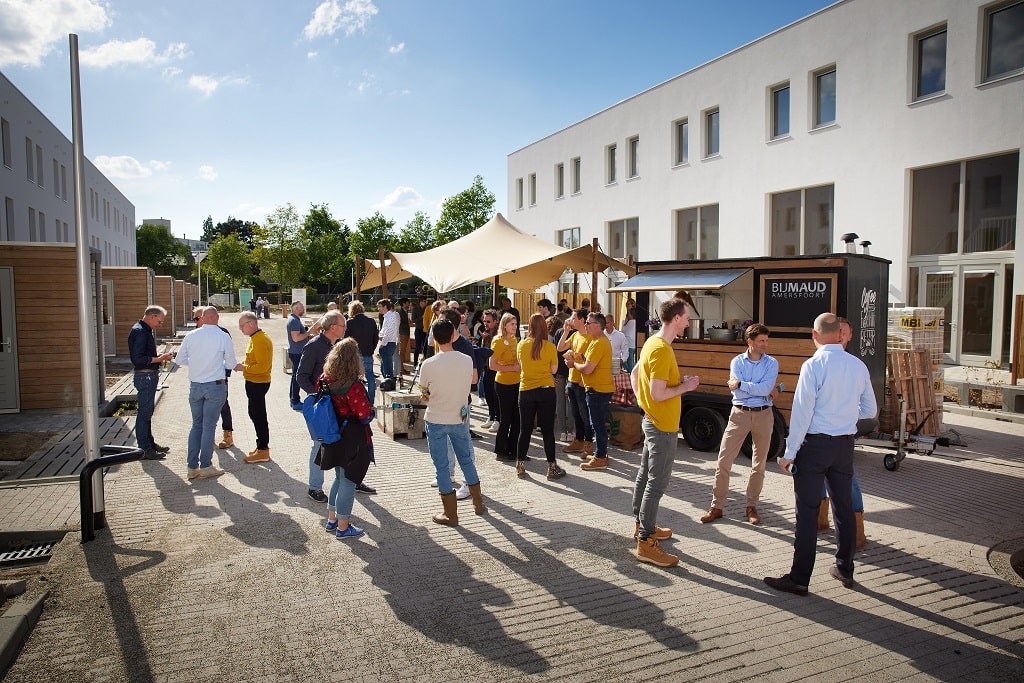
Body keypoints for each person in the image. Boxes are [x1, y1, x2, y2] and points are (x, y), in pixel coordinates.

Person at [765, 313, 877, 595]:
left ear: (814, 335)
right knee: (844, 509)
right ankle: (844, 567)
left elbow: (802, 414)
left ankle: (800, 578)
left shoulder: (812, 365)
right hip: (844, 446)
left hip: (814, 447)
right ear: (840, 334)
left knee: (807, 512)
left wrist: (788, 453)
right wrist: (846, 415)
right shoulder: (857, 365)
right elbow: (870, 410)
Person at [631, 297, 701, 567]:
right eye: (686, 316)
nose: (689, 321)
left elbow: (636, 374)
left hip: (654, 421)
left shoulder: (652, 342)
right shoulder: (661, 349)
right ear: (675, 319)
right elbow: (658, 392)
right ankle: (646, 542)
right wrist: (688, 386)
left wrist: (644, 405)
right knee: (656, 483)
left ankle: (642, 526)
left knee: (644, 476)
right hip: (662, 426)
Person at [700, 323, 780, 526]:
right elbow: (736, 393)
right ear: (750, 342)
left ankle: (751, 507)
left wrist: (744, 385)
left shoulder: (772, 363)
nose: (765, 344)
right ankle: (717, 506)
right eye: (761, 340)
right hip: (739, 415)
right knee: (723, 461)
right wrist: (752, 389)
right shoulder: (737, 362)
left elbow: (765, 388)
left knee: (759, 465)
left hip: (763, 414)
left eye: (767, 340)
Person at [420, 318, 486, 525]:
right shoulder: (466, 359)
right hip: (459, 417)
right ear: (452, 335)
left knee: (441, 467)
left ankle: (451, 514)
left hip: (436, 418)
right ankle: (478, 503)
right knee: (466, 460)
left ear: (434, 338)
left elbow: (424, 394)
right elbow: (471, 382)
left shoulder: (428, 364)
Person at [816, 316, 869, 548]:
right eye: (837, 330)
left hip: (841, 437)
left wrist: (846, 416)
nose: (840, 335)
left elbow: (868, 408)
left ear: (849, 336)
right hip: (819, 436)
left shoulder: (855, 365)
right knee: (817, 480)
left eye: (844, 332)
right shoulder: (820, 362)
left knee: (849, 483)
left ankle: (856, 533)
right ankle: (820, 520)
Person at [174, 306, 241, 480]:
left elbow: (179, 359)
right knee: (209, 426)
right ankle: (205, 465)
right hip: (215, 385)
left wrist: (197, 364)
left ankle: (191, 467)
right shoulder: (223, 336)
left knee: (196, 425)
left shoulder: (191, 336)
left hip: (195, 385)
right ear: (217, 317)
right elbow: (231, 363)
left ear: (202, 318)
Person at [319, 338, 373, 540]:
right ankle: (343, 527)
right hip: (352, 436)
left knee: (339, 478)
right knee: (349, 481)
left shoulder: (325, 378)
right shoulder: (353, 385)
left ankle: (332, 519)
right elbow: (364, 415)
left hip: (332, 433)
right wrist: (372, 411)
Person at [516, 314, 565, 480]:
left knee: (525, 429)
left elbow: (521, 366)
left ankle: (520, 464)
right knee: (547, 431)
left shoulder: (521, 344)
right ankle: (551, 467)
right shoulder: (550, 347)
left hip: (526, 389)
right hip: (546, 390)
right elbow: (553, 370)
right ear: (545, 327)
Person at [570, 312, 615, 471]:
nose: (586, 325)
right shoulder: (597, 341)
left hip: (598, 390)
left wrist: (573, 364)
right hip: (597, 389)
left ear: (598, 325)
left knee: (598, 425)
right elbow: (589, 363)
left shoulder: (599, 343)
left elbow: (588, 369)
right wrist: (577, 358)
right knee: (597, 424)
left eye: (588, 323)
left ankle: (600, 457)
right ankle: (600, 453)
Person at [128, 306, 173, 460]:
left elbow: (143, 356)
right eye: (160, 321)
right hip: (145, 377)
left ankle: (149, 444)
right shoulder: (141, 331)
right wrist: (159, 359)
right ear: (152, 316)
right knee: (144, 413)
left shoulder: (142, 329)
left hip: (147, 375)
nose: (160, 325)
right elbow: (138, 359)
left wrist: (158, 358)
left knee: (146, 412)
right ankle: (145, 448)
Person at [191, 309, 236, 450]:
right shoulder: (194, 335)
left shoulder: (223, 333)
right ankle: (206, 437)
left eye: (197, 318)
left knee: (223, 405)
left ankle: (228, 434)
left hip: (218, 379)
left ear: (204, 318)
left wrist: (225, 374)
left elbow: (229, 356)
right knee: (202, 410)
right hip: (199, 380)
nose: (196, 322)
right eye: (195, 319)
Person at [238, 311, 273, 463]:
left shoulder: (259, 340)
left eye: (242, 326)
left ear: (251, 324)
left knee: (258, 416)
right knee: (255, 414)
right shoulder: (256, 337)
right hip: (255, 382)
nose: (240, 329)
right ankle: (261, 446)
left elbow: (262, 367)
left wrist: (243, 367)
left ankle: (263, 450)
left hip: (258, 382)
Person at [557, 308, 593, 456]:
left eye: (573, 318)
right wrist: (565, 331)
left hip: (583, 382)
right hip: (571, 380)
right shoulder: (575, 335)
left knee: (585, 414)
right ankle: (578, 440)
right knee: (575, 413)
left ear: (582, 320)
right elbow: (560, 348)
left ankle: (588, 442)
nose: (570, 320)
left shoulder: (591, 338)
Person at [490, 312, 522, 461]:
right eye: (512, 324)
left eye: (516, 324)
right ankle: (501, 449)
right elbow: (492, 365)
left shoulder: (514, 339)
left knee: (517, 418)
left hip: (517, 382)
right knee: (506, 418)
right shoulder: (498, 341)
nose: (515, 327)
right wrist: (512, 368)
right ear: (504, 325)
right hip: (503, 383)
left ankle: (514, 449)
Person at [287, 301, 320, 410]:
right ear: (296, 308)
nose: (304, 309)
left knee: (295, 376)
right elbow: (296, 338)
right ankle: (295, 401)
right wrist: (308, 332)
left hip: (295, 351)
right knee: (298, 377)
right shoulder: (294, 321)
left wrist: (307, 335)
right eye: (301, 308)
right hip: (297, 352)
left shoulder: (295, 320)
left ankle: (293, 399)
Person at [345, 300, 379, 404]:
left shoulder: (350, 323)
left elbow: (346, 339)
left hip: (355, 354)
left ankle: (357, 402)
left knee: (354, 379)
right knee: (370, 377)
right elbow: (375, 338)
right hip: (368, 352)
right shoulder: (371, 321)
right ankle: (371, 401)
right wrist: (372, 348)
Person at [548, 315, 571, 440]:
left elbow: (554, 353)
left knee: (561, 401)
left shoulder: (558, 333)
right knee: (569, 402)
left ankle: (564, 431)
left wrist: (553, 373)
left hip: (559, 371)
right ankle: (569, 431)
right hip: (568, 371)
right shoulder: (575, 333)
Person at [477, 308, 500, 429]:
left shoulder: (498, 334)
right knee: (488, 393)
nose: (486, 323)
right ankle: (491, 416)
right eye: (485, 321)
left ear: (496, 321)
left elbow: (496, 350)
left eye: (489, 321)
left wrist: (488, 339)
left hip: (496, 368)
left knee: (495, 394)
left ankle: (497, 418)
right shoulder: (484, 332)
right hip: (486, 367)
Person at [377, 298, 399, 380]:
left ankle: (389, 383)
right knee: (384, 368)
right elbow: (384, 330)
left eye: (380, 306)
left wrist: (382, 344)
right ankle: (388, 382)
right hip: (388, 343)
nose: (378, 309)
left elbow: (388, 332)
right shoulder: (388, 316)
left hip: (388, 344)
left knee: (387, 369)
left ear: (385, 306)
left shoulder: (391, 316)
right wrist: (380, 335)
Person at [397, 297, 411, 368]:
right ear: (404, 304)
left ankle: (401, 367)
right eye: (408, 303)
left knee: (403, 351)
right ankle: (400, 368)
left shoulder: (405, 311)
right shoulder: (400, 312)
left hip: (405, 333)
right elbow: (400, 323)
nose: (409, 304)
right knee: (402, 352)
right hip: (402, 333)